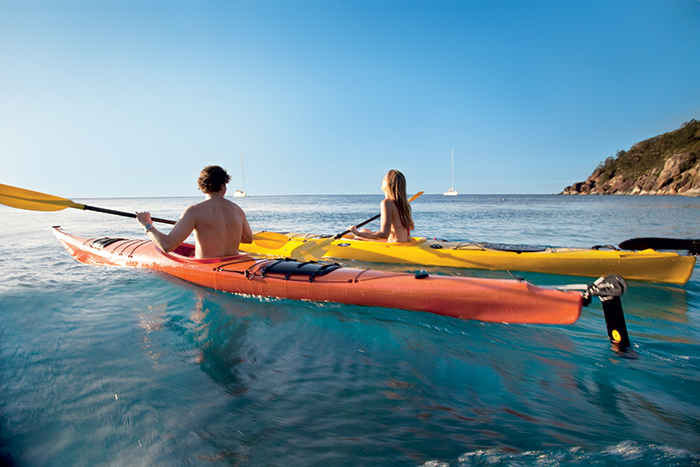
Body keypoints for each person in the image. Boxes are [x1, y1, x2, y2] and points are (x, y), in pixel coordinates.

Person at [136, 165, 253, 259]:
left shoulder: (194, 211)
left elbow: (167, 246)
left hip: (208, 266)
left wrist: (147, 225)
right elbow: (248, 239)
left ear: (202, 187)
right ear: (223, 186)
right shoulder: (237, 210)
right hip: (233, 263)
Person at [350, 169, 415, 243]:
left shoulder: (386, 203)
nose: (382, 179)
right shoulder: (405, 205)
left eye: (385, 177)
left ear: (389, 184)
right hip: (406, 243)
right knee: (363, 230)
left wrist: (357, 233)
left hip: (395, 246)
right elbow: (412, 227)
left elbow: (384, 235)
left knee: (358, 236)